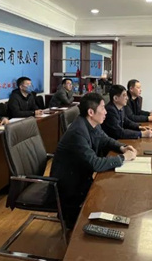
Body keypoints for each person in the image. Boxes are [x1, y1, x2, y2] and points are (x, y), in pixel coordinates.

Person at [51, 93, 137, 228]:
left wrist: (122, 147)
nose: (106, 111)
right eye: (102, 108)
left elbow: (105, 139)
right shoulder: (78, 132)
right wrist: (124, 157)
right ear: (91, 112)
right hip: (69, 187)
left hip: (82, 178)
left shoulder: (92, 123)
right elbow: (95, 163)